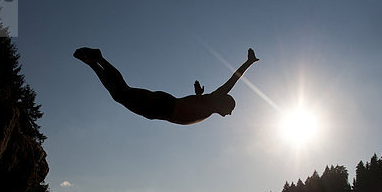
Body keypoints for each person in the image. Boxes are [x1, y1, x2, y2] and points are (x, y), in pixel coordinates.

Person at [74, 47, 259, 125]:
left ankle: (96, 60)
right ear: (223, 103)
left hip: (162, 107)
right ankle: (95, 60)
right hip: (163, 106)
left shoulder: (208, 104)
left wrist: (198, 94)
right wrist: (249, 62)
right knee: (121, 93)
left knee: (122, 92)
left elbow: (192, 106)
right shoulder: (212, 101)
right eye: (229, 110)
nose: (228, 115)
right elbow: (234, 79)